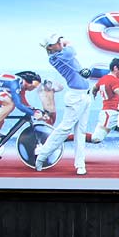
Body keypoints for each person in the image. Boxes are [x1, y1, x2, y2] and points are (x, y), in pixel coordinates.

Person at [35, 34, 91, 175]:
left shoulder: (60, 53)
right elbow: (71, 49)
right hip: (75, 96)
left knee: (81, 132)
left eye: (59, 40)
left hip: (85, 94)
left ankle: (80, 164)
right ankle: (42, 154)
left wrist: (63, 42)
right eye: (56, 42)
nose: (60, 42)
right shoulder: (57, 57)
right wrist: (66, 41)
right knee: (65, 128)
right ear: (50, 47)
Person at [0, 71, 45, 158]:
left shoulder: (20, 84)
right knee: (10, 103)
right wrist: (33, 113)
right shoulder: (15, 83)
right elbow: (18, 105)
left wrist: (33, 110)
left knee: (2, 117)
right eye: (33, 86)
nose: (33, 89)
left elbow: (23, 102)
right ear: (27, 82)